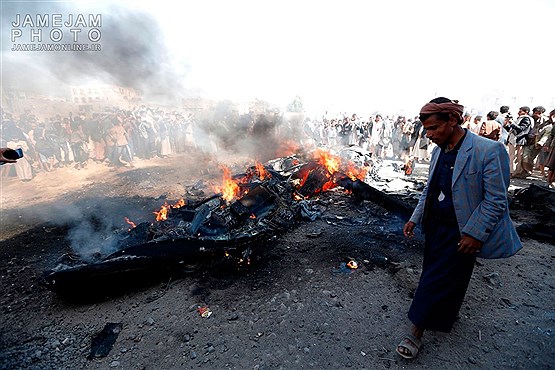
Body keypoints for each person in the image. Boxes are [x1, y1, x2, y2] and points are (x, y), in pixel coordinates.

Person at [397, 97, 522, 359]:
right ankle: (445, 316)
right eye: (427, 130)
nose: (429, 135)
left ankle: (415, 331)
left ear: (452, 120)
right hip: (435, 227)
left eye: (433, 128)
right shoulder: (438, 151)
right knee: (440, 275)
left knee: (434, 279)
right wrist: (415, 218)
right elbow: (429, 190)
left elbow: (496, 199)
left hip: (462, 231)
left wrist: (475, 233)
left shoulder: (488, 151)